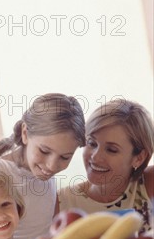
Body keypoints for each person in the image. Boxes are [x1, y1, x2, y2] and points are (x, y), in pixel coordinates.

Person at [0, 93, 85, 239]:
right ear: (25, 133)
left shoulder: (47, 177)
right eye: (44, 151)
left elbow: (52, 231)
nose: (52, 166)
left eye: (65, 157)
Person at [58, 99, 154, 231]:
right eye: (92, 143)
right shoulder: (62, 202)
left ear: (139, 158)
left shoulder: (149, 184)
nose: (95, 157)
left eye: (112, 150)